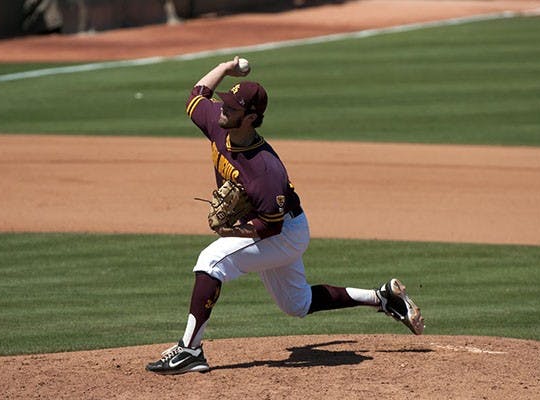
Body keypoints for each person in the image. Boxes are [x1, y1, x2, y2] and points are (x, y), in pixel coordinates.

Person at [146, 56, 424, 375]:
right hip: (273, 226)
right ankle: (383, 298)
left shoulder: (266, 171)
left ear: (250, 117)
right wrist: (225, 68)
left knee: (210, 262)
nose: (223, 109)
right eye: (225, 103)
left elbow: (268, 227)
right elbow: (197, 96)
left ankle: (190, 350)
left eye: (232, 108)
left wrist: (231, 231)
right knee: (296, 304)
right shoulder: (217, 122)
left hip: (284, 232)